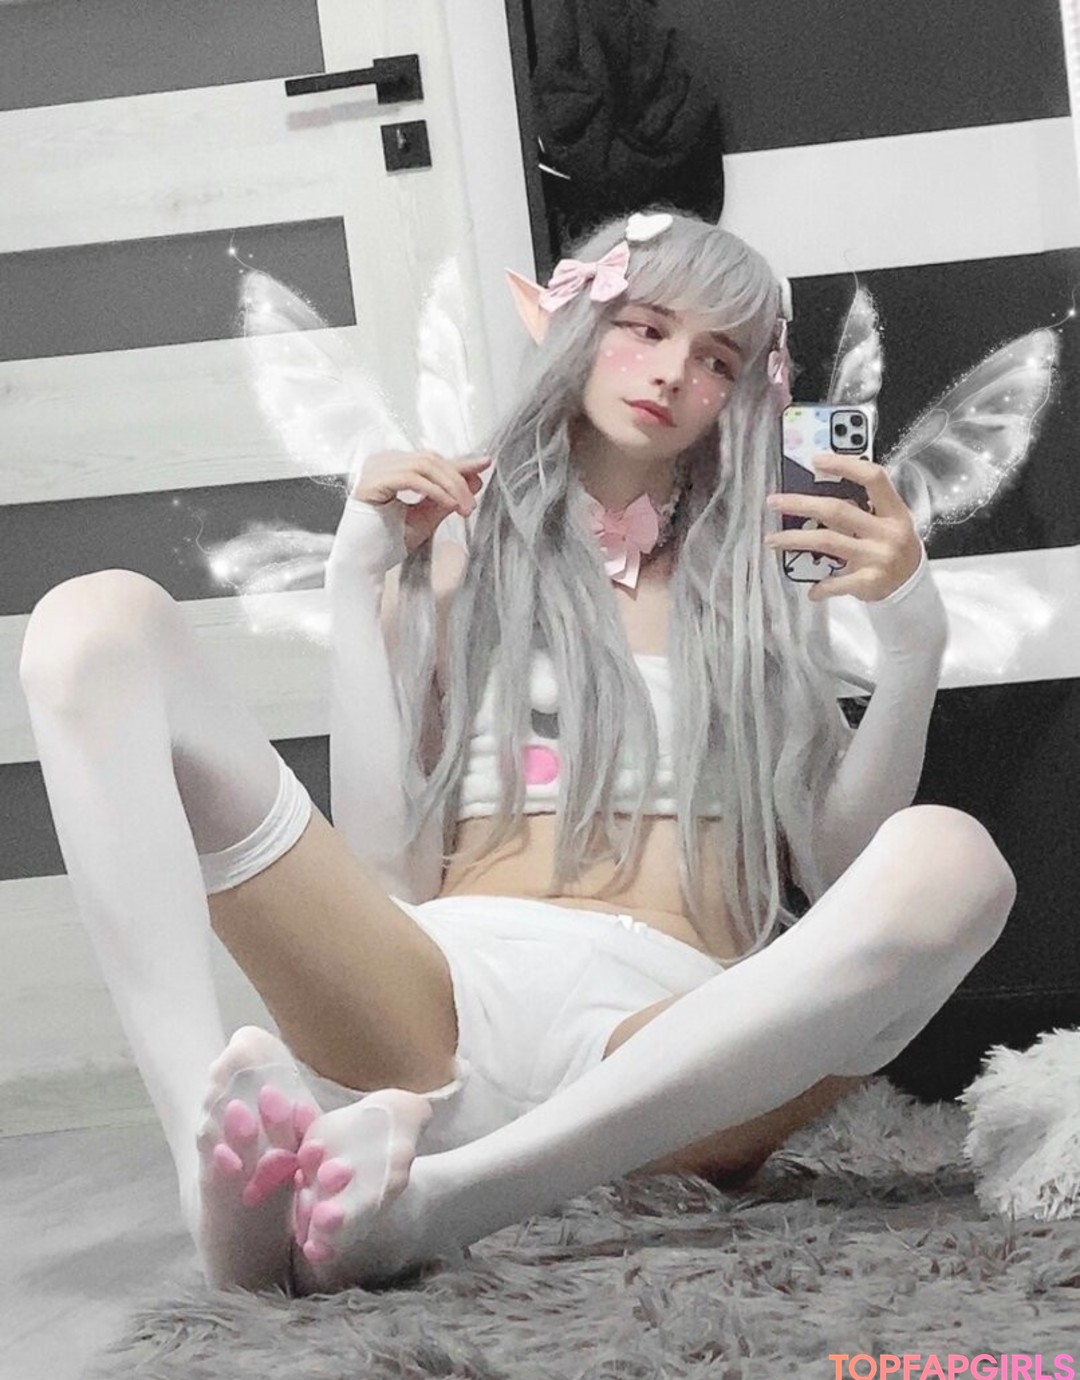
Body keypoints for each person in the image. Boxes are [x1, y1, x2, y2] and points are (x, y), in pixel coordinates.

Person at [17, 209, 1016, 1297]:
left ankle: (450, 1200)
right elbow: (388, 870)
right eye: (646, 327)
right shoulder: (452, 555)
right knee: (93, 623)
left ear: (745, 394)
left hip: (670, 1051)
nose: (672, 371)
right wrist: (355, 589)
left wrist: (913, 644)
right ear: (580, 322)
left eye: (717, 359)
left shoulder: (763, 591)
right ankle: (205, 1180)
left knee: (957, 858)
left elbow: (843, 872)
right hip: (433, 1006)